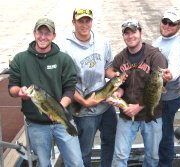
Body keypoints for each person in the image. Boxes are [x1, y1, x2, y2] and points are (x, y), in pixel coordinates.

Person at [8, 18, 84, 167]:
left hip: (63, 120)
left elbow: (70, 88)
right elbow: (12, 88)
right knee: (43, 164)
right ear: (34, 33)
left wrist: (59, 109)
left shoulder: (64, 59)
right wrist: (20, 92)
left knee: (76, 163)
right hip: (36, 124)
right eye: (40, 33)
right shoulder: (20, 59)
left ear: (53, 36)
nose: (43, 37)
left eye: (47, 33)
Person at [59, 8, 118, 167]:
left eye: (87, 20)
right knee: (84, 150)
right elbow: (65, 83)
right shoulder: (65, 48)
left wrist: (116, 77)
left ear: (92, 21)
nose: (84, 24)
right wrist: (84, 102)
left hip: (106, 107)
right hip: (83, 110)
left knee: (110, 142)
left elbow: (107, 67)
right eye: (80, 21)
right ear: (73, 22)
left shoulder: (103, 42)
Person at [110, 19, 170, 167]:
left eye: (134, 32)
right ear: (123, 36)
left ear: (140, 33)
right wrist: (117, 93)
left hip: (151, 114)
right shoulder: (119, 59)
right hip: (126, 114)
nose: (130, 36)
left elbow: (159, 87)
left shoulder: (155, 56)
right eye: (126, 33)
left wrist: (139, 106)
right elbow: (121, 85)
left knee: (153, 157)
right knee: (119, 156)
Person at [153, 8, 180, 167]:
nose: (167, 26)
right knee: (158, 133)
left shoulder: (176, 46)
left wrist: (169, 75)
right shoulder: (160, 40)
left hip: (168, 99)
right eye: (165, 22)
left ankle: (165, 163)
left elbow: (175, 68)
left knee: (164, 134)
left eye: (171, 24)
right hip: (158, 97)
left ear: (178, 26)